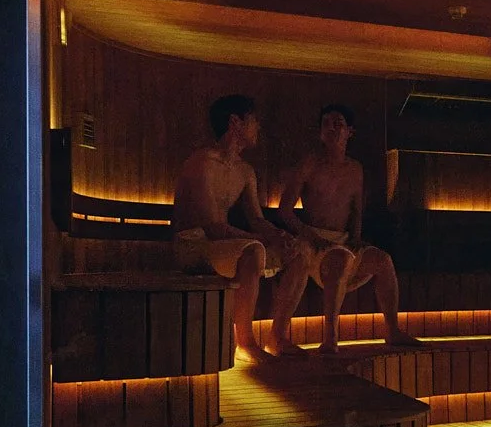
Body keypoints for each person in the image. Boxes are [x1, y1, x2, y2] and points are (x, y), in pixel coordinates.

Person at [171, 94, 314, 360]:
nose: (257, 126)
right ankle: (245, 343)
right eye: (253, 120)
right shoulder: (202, 163)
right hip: (192, 245)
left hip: (222, 246)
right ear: (235, 122)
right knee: (253, 251)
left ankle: (277, 337)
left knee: (301, 252)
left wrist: (279, 235)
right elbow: (212, 227)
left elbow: (256, 219)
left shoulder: (245, 171)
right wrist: (261, 239)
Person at [276, 103, 419, 352]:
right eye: (326, 124)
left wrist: (356, 238)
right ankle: (330, 338)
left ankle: (392, 330)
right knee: (340, 259)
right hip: (313, 241)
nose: (332, 128)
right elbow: (284, 210)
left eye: (338, 124)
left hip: (343, 241)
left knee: (383, 261)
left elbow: (356, 210)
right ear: (320, 133)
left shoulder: (355, 169)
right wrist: (310, 236)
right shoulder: (309, 164)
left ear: (349, 132)